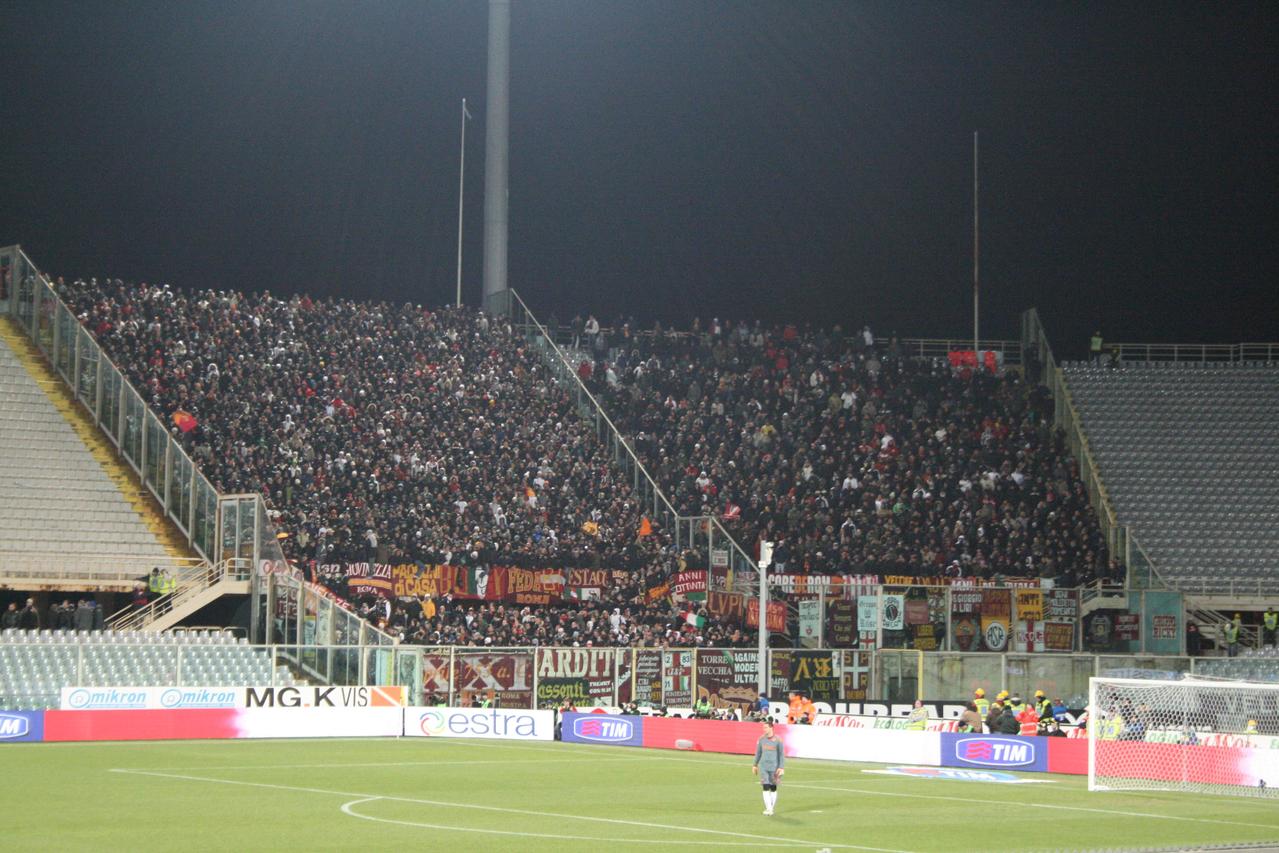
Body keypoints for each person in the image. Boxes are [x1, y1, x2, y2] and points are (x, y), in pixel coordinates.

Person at [752, 721, 785, 816]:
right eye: (763, 727)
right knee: (765, 787)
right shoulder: (761, 739)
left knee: (773, 788)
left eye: (766, 727)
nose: (764, 729)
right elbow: (758, 753)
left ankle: (771, 808)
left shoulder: (778, 740)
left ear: (771, 727)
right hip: (764, 767)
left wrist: (781, 767)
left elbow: (781, 754)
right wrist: (755, 765)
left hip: (775, 768)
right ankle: (769, 809)